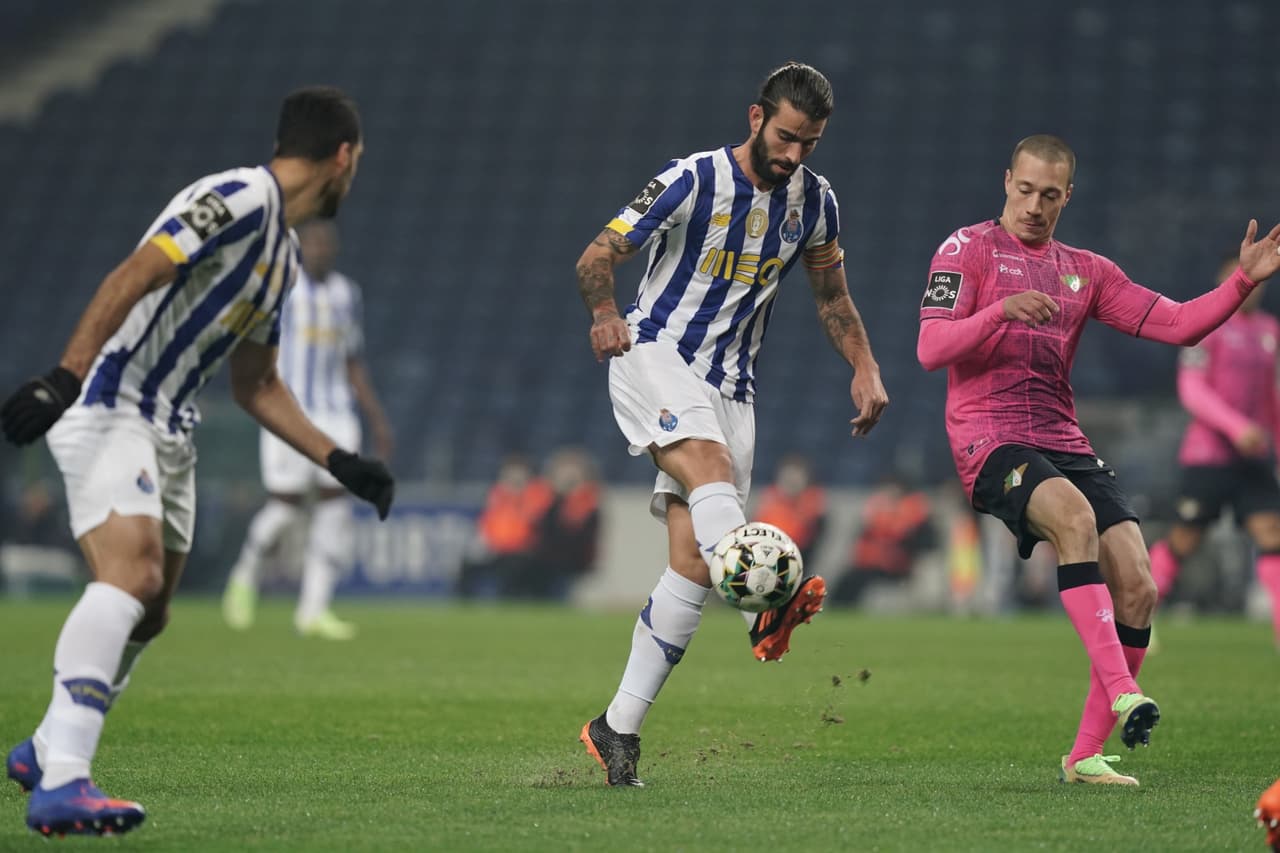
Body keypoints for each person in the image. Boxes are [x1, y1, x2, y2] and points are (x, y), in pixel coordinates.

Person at [0, 86, 394, 836]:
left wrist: (341, 460)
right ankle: (64, 780)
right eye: (358, 162)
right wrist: (66, 375)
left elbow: (258, 384)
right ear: (342, 156)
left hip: (170, 430)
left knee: (149, 612)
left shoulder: (281, 260)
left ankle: (45, 745)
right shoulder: (241, 196)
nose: (356, 175)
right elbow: (137, 271)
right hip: (113, 402)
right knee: (134, 574)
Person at [916, 133, 1280, 787]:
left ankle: (1085, 755)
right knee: (1074, 516)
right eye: (1024, 190)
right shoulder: (966, 250)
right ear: (1007, 181)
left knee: (1139, 583)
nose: (1033, 205)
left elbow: (1177, 323)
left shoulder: (1086, 270)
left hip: (1064, 441)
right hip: (989, 437)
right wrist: (1000, 310)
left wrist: (1242, 281)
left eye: (1048, 196)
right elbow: (931, 347)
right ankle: (1123, 689)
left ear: (1066, 198)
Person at [574, 61, 888, 786]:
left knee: (691, 560)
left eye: (809, 143)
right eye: (785, 137)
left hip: (732, 388)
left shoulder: (816, 204)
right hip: (653, 351)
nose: (794, 155)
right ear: (756, 118)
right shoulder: (689, 179)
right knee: (709, 473)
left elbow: (832, 297)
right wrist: (603, 314)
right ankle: (768, 607)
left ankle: (615, 726)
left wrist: (864, 366)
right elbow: (598, 254)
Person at [221, 219, 393, 640]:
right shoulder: (283, 291)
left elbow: (353, 358)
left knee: (335, 510)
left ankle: (313, 610)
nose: (320, 250)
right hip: (291, 411)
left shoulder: (346, 294)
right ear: (301, 248)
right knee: (285, 505)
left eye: (326, 244)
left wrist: (376, 417)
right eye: (313, 243)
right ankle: (244, 576)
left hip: (337, 413)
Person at [1146, 254, 1280, 645]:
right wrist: (1237, 427)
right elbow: (1192, 390)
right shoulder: (1209, 328)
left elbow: (1271, 399)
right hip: (1209, 456)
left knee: (1273, 534)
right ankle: (1140, 618)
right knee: (1185, 539)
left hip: (1254, 458)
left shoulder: (1270, 332)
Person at [830, 470, 934, 606]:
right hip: (874, 563)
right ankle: (838, 608)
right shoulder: (877, 510)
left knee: (859, 579)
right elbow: (864, 536)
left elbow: (921, 542)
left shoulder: (913, 511)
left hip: (897, 565)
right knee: (847, 580)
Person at [752, 452, 828, 559]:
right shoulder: (769, 498)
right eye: (788, 477)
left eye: (796, 478)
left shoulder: (812, 500)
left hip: (798, 554)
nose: (792, 482)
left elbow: (807, 535)